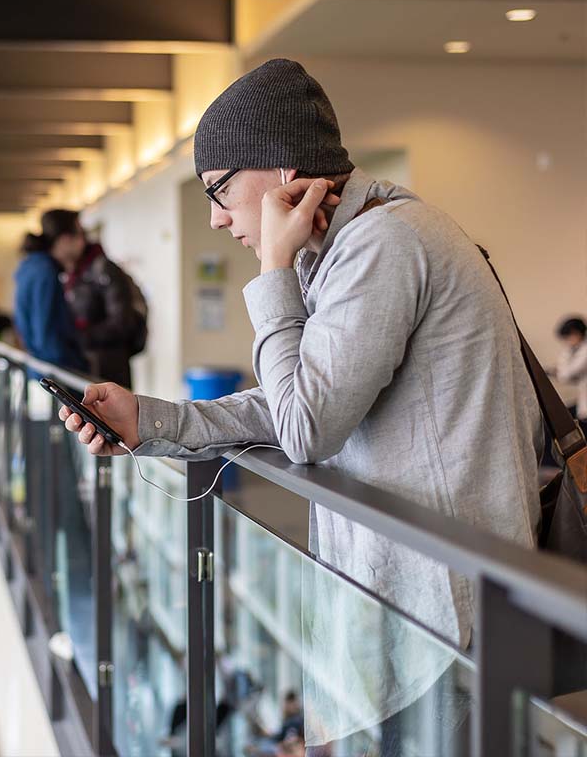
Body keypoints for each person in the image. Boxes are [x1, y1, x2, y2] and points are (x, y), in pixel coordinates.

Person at [59, 59, 541, 754]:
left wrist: (273, 274)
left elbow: (305, 427)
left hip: (439, 621)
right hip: (402, 610)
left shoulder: (383, 243)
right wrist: (153, 423)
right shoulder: (351, 245)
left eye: (220, 190)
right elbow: (295, 400)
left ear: (284, 173)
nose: (217, 218)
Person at [42, 209, 148, 387]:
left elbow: (122, 323)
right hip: (86, 369)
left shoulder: (103, 269)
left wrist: (76, 337)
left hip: (109, 372)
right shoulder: (72, 275)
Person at [13, 215, 88, 373]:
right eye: (80, 235)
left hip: (40, 368)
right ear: (65, 239)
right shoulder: (45, 272)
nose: (83, 243)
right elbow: (45, 336)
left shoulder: (33, 266)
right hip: (54, 373)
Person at [556, 316, 587, 424]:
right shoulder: (574, 350)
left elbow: (565, 374)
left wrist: (566, 354)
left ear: (576, 333)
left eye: (568, 337)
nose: (567, 342)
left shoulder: (584, 350)